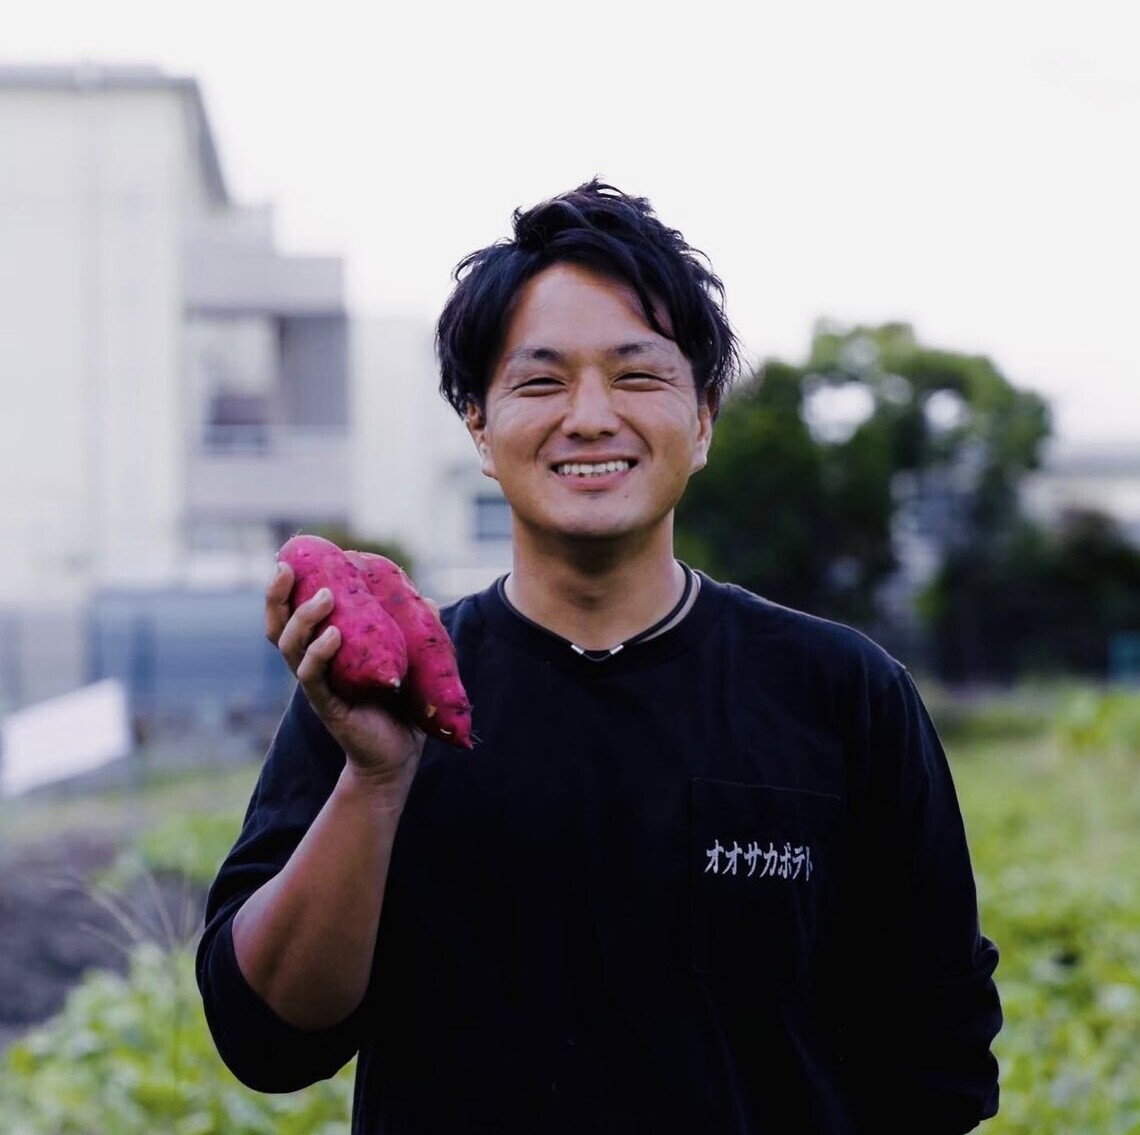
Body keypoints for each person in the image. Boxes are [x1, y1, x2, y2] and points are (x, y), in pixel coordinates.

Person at [196, 179, 1002, 1134]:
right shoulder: (383, 697)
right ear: (480, 429)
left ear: (702, 419)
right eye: (540, 381)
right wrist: (373, 782)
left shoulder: (842, 693)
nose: (588, 416)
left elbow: (938, 1057)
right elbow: (268, 1036)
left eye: (636, 375)